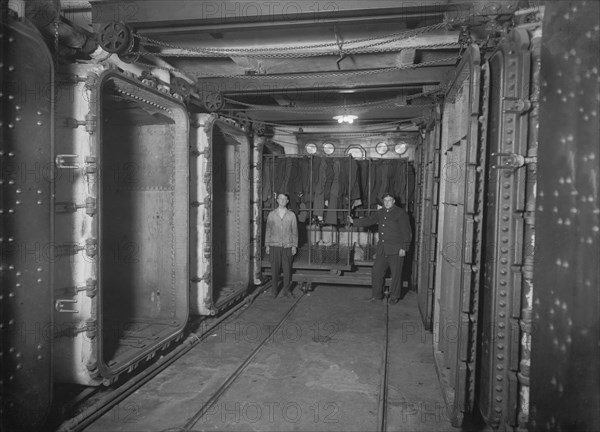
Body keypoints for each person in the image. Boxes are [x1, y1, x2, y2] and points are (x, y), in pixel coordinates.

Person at [347, 192, 412, 304]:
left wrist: (404, 248)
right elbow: (369, 220)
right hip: (382, 248)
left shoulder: (401, 214)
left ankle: (394, 296)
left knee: (396, 274)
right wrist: (354, 221)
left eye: (389, 200)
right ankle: (377, 296)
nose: (387, 203)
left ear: (394, 201)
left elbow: (407, 232)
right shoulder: (381, 212)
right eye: (385, 201)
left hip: (396, 249)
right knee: (376, 271)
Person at [265, 193, 298, 298]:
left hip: (287, 246)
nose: (283, 200)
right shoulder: (272, 214)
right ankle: (274, 291)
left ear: (287, 201)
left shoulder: (291, 215)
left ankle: (287, 291)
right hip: (274, 245)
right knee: (274, 270)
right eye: (280, 198)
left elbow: (295, 231)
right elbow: (268, 230)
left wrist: (294, 246)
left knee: (287, 270)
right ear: (277, 200)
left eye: (285, 199)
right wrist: (267, 245)